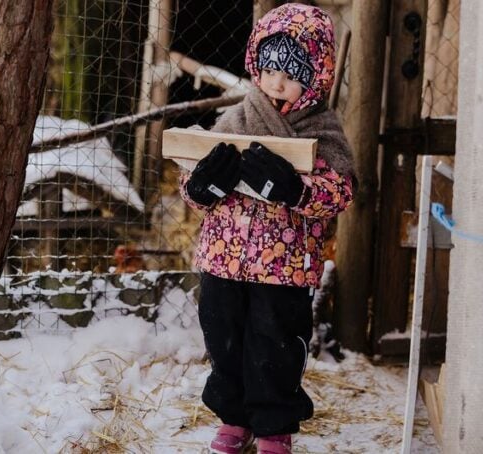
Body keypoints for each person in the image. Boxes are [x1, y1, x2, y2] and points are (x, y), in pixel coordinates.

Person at [178, 4, 354, 453]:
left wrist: (296, 190)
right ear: (257, 61)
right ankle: (234, 418)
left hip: (285, 265)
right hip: (224, 257)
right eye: (272, 66)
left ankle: (274, 424)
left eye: (293, 70)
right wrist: (201, 186)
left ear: (317, 74)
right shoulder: (234, 119)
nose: (278, 80)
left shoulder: (322, 130)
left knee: (275, 343)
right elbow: (192, 179)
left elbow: (341, 191)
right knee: (223, 335)